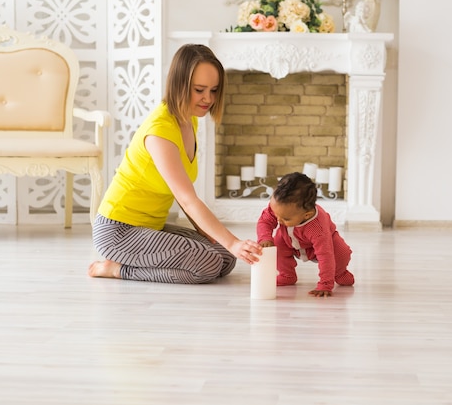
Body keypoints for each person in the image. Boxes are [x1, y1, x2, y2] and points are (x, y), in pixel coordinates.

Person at [88, 44, 262, 283]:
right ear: (179, 84)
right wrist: (234, 241)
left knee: (225, 258)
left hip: (150, 226)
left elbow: (181, 196)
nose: (208, 99)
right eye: (199, 90)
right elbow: (188, 200)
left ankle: (131, 262)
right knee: (208, 264)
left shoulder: (189, 119)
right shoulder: (160, 132)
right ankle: (116, 269)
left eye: (214, 90)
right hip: (118, 231)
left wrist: (212, 235)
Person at [256, 172, 355, 297]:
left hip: (324, 244)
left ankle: (340, 273)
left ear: (306, 214)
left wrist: (325, 284)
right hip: (289, 240)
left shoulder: (317, 228)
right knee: (277, 245)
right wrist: (265, 237)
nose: (278, 220)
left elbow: (326, 255)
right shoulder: (279, 207)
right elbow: (265, 221)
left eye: (285, 218)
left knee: (341, 253)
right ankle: (287, 275)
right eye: (276, 215)